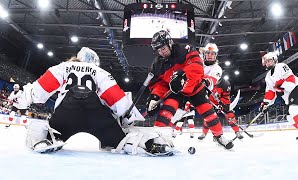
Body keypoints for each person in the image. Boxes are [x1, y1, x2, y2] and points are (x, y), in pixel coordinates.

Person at [21, 47, 174, 156]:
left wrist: (28, 101)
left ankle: (41, 140)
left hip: (65, 114)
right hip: (94, 115)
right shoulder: (99, 72)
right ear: (94, 61)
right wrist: (128, 117)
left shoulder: (63, 67)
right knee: (121, 140)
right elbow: (116, 98)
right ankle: (148, 143)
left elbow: (38, 91)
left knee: (51, 134)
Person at [146, 30, 234, 149]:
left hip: (194, 87)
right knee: (166, 111)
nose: (162, 52)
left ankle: (219, 136)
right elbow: (158, 84)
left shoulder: (185, 49)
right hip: (176, 91)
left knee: (209, 114)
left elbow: (197, 65)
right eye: (159, 49)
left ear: (170, 43)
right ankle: (157, 138)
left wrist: (183, 75)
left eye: (164, 48)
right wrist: (154, 96)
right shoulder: (157, 64)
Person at [259, 52, 298, 140]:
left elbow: (291, 79)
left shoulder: (281, 66)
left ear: (275, 60)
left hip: (295, 87)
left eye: (269, 61)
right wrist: (265, 103)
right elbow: (270, 92)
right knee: (289, 117)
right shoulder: (267, 77)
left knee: (293, 110)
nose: (268, 63)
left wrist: (282, 84)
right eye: (266, 62)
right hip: (287, 94)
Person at [198, 43, 243, 140]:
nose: (210, 55)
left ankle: (237, 132)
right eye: (208, 53)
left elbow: (226, 98)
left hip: (219, 103)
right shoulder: (200, 64)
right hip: (206, 99)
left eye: (212, 53)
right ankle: (205, 133)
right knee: (209, 116)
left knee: (230, 114)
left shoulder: (223, 80)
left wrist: (222, 105)